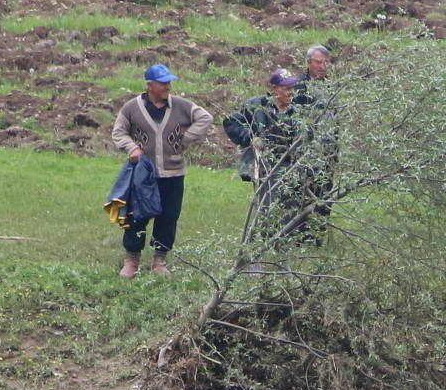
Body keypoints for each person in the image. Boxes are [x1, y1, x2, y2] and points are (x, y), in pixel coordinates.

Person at [109, 63, 216, 277]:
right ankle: (132, 259)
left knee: (168, 216)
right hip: (143, 174)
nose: (168, 86)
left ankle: (159, 260)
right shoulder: (132, 107)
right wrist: (132, 148)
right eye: (163, 82)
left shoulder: (180, 105)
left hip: (173, 172)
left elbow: (206, 118)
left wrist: (185, 140)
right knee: (136, 215)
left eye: (169, 82)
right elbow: (119, 132)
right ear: (150, 85)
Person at [225, 68, 325, 249]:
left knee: (290, 208)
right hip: (264, 166)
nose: (291, 92)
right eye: (286, 88)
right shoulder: (256, 105)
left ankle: (282, 248)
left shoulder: (297, 111)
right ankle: (261, 246)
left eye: (292, 88)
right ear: (274, 89)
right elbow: (230, 122)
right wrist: (250, 137)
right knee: (267, 207)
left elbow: (310, 136)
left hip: (292, 166)